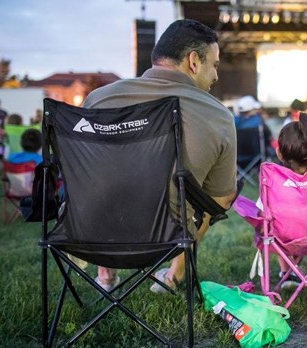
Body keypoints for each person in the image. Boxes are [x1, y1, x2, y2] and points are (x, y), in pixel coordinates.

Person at [83, 19, 237, 293]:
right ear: (193, 61)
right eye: (214, 64)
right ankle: (173, 276)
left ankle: (106, 276)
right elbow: (222, 199)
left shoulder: (98, 99)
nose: (215, 75)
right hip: (164, 240)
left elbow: (81, 172)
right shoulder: (219, 117)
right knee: (217, 196)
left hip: (85, 235)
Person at [257, 113, 307, 288]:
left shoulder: (273, 182)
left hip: (282, 239)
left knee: (275, 224)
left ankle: (286, 271)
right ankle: (291, 271)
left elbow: (261, 214)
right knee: (301, 222)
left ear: (279, 153)